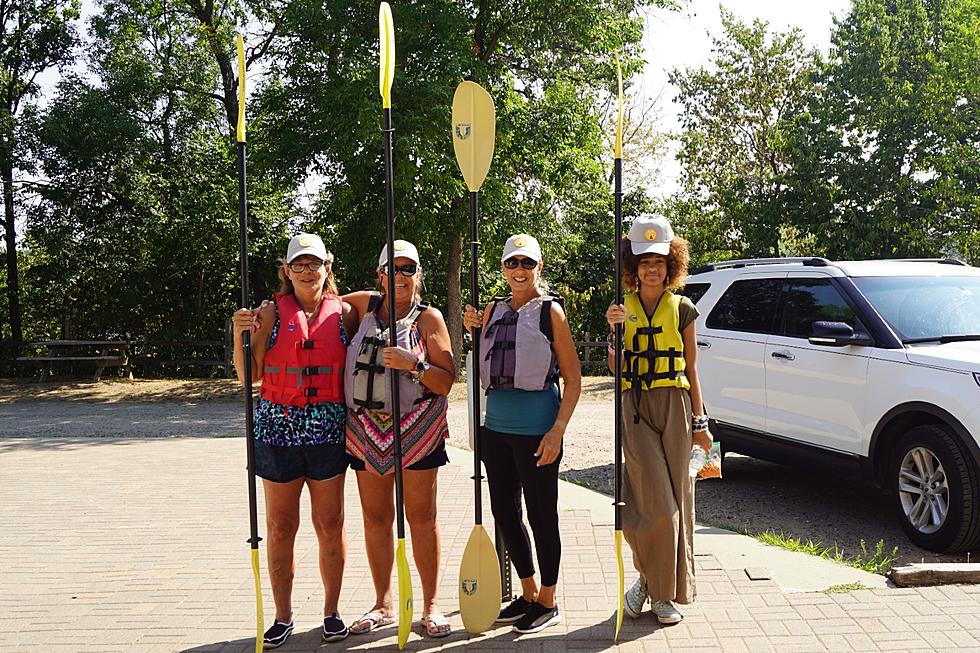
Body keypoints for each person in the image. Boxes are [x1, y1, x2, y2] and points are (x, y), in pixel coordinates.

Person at [231, 233, 358, 648]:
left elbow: (384, 297)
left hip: (327, 427)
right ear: (286, 271)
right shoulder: (269, 312)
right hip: (278, 427)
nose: (307, 271)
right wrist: (239, 334)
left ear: (327, 267)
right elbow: (249, 375)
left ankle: (332, 612)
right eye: (298, 264)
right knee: (281, 525)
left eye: (314, 263)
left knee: (330, 524)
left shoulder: (346, 313)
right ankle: (282, 615)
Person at [463, 234, 582, 634]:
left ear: (539, 268)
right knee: (505, 514)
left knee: (541, 515)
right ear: (503, 269)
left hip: (537, 432)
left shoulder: (551, 313)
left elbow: (574, 378)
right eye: (512, 263)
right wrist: (471, 326)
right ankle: (528, 591)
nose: (519, 270)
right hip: (496, 430)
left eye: (527, 264)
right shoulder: (490, 310)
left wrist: (557, 431)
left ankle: (549, 600)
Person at [342, 239, 456, 638]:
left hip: (417, 429)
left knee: (422, 519)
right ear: (381, 275)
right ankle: (383, 602)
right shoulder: (362, 309)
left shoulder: (429, 319)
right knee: (375, 519)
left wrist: (414, 365)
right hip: (366, 431)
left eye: (409, 269)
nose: (401, 276)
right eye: (393, 269)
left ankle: (431, 604)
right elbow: (322, 300)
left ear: (418, 275)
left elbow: (446, 382)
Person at [604, 214, 712, 625]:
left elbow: (693, 368)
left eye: (660, 261)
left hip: (676, 405)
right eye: (645, 261)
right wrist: (615, 334)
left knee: (680, 498)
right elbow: (616, 367)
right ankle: (655, 585)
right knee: (652, 501)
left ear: (672, 266)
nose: (652, 269)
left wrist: (701, 423)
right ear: (633, 267)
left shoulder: (682, 308)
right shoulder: (621, 309)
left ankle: (655, 590)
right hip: (634, 406)